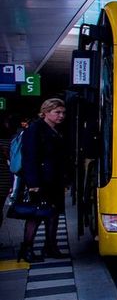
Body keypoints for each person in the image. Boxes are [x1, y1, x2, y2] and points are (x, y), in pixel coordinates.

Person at [18, 98, 69, 263]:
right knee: (35, 214)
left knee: (53, 213)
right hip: (41, 179)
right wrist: (33, 184)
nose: (61, 116)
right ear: (46, 112)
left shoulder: (56, 130)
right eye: (57, 112)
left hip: (53, 179)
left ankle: (50, 246)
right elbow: (30, 157)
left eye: (63, 112)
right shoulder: (35, 129)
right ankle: (27, 248)